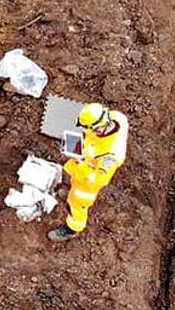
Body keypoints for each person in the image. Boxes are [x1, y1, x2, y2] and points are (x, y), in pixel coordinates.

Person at [49, 103, 129, 242]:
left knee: (77, 204)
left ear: (99, 128)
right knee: (74, 187)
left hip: (88, 184)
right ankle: (70, 194)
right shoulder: (116, 117)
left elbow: (98, 179)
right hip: (84, 169)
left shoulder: (110, 156)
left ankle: (72, 229)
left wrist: (79, 161)